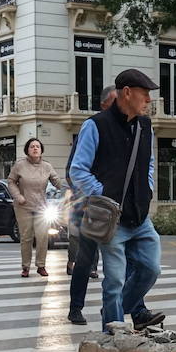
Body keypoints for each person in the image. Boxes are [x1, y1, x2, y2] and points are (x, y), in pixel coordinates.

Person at [69, 68, 164, 333]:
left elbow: (149, 164)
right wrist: (104, 195)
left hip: (140, 216)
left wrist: (148, 189)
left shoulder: (146, 126)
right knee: (113, 281)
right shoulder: (95, 125)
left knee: (151, 268)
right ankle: (113, 338)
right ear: (127, 93)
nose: (148, 100)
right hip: (111, 219)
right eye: (144, 94)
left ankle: (116, 311)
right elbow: (78, 170)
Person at [64, 84, 114, 314]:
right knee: (85, 257)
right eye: (115, 103)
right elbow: (72, 170)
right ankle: (75, 307)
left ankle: (121, 307)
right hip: (90, 206)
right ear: (104, 104)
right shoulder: (92, 127)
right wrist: (93, 193)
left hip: (115, 207)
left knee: (122, 259)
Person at [6, 137, 65, 278]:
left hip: (41, 206)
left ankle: (41, 266)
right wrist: (18, 196)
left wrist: (66, 186)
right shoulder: (20, 165)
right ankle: (25, 267)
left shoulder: (47, 166)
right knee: (26, 237)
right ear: (27, 150)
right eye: (32, 146)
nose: (35, 148)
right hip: (23, 205)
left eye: (37, 146)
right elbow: (11, 181)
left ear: (41, 150)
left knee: (43, 237)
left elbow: (58, 183)